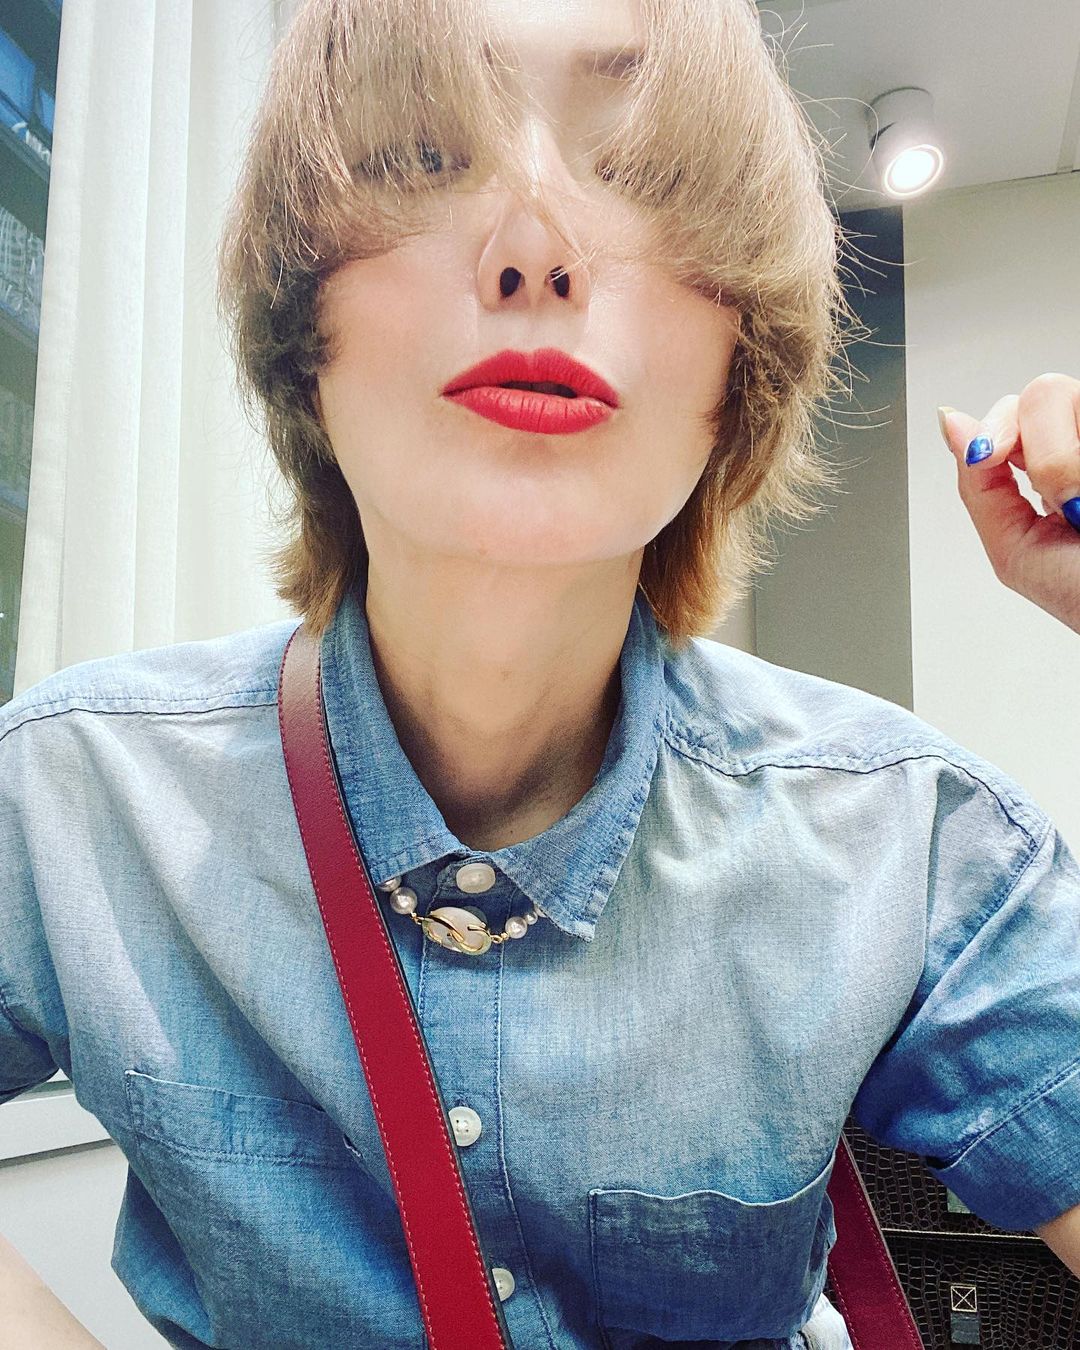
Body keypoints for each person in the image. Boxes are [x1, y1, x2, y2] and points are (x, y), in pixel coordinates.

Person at [1, 0, 1078, 1347]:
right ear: (301, 320)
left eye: (643, 167)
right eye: (419, 157)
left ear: (740, 352)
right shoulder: (72, 799)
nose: (536, 248)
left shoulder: (910, 841)